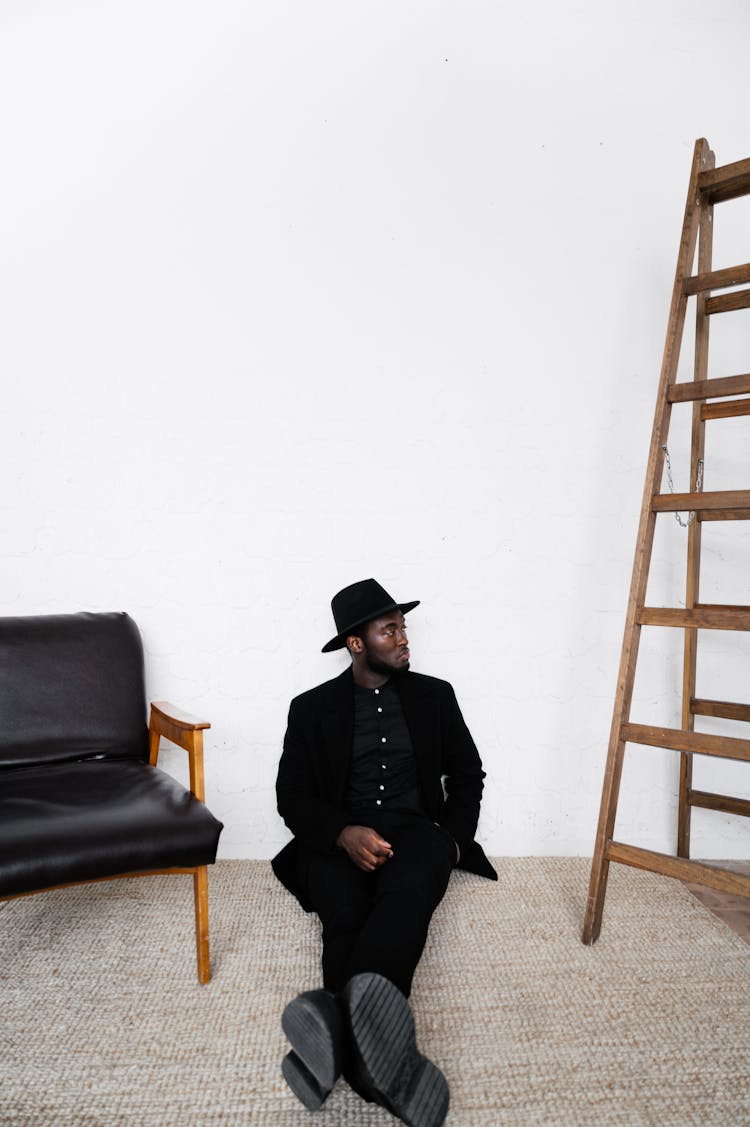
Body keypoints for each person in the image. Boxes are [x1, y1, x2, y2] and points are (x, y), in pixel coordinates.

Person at [272, 578, 496, 1127]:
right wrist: (343, 833)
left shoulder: (434, 696)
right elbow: (292, 797)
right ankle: (377, 1070)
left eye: (403, 627)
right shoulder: (310, 709)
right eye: (389, 628)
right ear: (356, 643)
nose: (403, 638)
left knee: (405, 898)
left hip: (416, 830)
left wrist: (451, 838)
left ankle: (335, 1041)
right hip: (335, 834)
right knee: (343, 910)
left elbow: (468, 774)